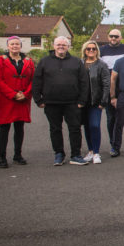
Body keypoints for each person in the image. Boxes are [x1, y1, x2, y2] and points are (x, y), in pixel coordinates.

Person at [33, 36, 89, 166]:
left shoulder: (76, 62)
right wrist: (38, 99)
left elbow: (84, 82)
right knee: (55, 129)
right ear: (54, 46)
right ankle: (59, 153)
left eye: (64, 45)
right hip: (51, 102)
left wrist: (82, 100)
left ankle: (76, 154)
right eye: (58, 44)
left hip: (73, 102)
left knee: (75, 128)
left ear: (68, 47)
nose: (61, 47)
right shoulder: (44, 62)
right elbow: (37, 81)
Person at [0, 36, 35, 168]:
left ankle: (18, 155)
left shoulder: (28, 61)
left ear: (21, 46)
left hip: (23, 99)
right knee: (4, 128)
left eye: (17, 44)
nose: (15, 46)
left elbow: (33, 80)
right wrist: (13, 94)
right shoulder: (0, 61)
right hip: (7, 99)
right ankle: (2, 157)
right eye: (12, 44)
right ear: (8, 46)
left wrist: (26, 93)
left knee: (19, 128)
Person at [100, 29, 124, 155]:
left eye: (116, 36)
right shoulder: (102, 51)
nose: (113, 38)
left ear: (121, 37)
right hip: (109, 90)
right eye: (111, 36)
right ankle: (114, 145)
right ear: (108, 37)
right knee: (111, 119)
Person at [80, 40, 110, 164]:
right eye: (88, 49)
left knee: (95, 125)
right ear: (84, 50)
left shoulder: (101, 64)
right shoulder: (79, 64)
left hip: (96, 102)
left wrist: (103, 101)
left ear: (97, 50)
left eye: (94, 49)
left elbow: (106, 84)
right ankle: (91, 151)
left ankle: (97, 153)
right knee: (86, 127)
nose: (91, 51)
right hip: (82, 102)